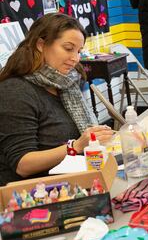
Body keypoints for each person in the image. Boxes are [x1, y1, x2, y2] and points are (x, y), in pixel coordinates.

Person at [0, 14, 113, 185]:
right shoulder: (15, 90)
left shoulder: (65, 84)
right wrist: (75, 146)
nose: (75, 58)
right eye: (68, 48)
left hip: (72, 181)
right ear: (41, 44)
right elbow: (22, 164)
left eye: (79, 51)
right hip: (34, 195)